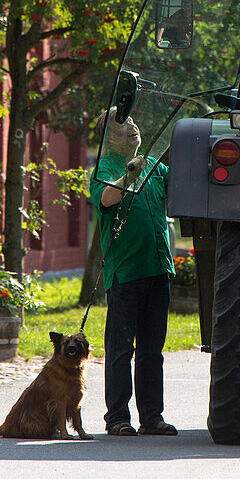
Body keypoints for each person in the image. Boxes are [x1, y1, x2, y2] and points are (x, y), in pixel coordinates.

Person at [88, 108, 178, 437]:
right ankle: (117, 419)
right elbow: (107, 199)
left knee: (152, 352)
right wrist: (128, 174)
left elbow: (180, 187)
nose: (133, 128)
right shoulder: (106, 168)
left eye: (132, 122)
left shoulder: (155, 168)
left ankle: (152, 417)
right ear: (108, 137)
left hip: (157, 267)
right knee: (121, 349)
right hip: (125, 272)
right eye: (123, 124)